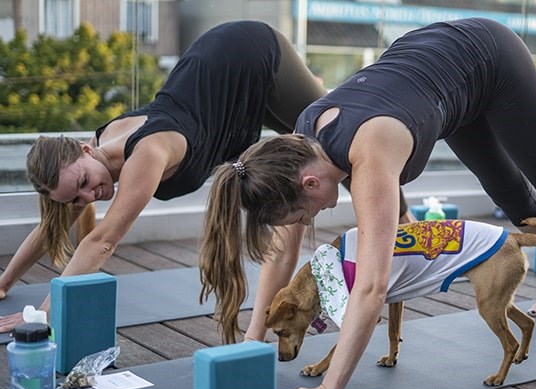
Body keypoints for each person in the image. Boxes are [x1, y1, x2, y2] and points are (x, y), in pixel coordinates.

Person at [200, 18, 536, 389]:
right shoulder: (296, 145)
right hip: (442, 77)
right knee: (506, 187)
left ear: (310, 183)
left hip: (490, 57)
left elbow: (374, 286)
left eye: (301, 216)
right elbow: (282, 258)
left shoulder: (370, 154)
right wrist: (253, 340)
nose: (306, 224)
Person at [0, 20, 415, 334]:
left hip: (251, 54)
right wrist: (4, 284)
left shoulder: (146, 152)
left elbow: (102, 239)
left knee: (337, 147)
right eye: (76, 198)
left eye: (84, 184)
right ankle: (259, 336)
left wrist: (41, 314)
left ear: (85, 149)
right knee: (289, 190)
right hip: (219, 94)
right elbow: (51, 224)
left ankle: (411, 229)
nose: (89, 197)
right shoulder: (94, 153)